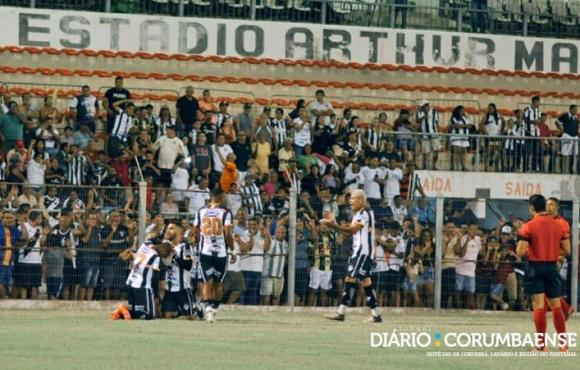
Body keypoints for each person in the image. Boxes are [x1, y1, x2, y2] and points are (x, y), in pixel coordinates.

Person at [516, 194, 570, 352]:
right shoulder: (559, 225)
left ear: (532, 207)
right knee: (556, 306)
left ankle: (541, 345)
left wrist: (529, 249)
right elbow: (567, 250)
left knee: (539, 306)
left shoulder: (528, 226)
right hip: (553, 267)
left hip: (535, 268)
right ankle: (563, 345)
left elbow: (520, 251)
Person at [322, 189, 383, 322]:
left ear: (361, 200)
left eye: (353, 199)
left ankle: (341, 312)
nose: (350, 201)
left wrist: (334, 226)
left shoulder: (364, 213)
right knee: (366, 282)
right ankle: (376, 314)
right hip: (360, 252)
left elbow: (352, 230)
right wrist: (336, 225)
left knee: (350, 278)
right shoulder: (361, 213)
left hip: (363, 252)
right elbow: (352, 229)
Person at [192, 188, 235, 323]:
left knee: (207, 281)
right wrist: (232, 250)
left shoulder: (201, 211)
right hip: (221, 252)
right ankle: (211, 309)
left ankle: (209, 308)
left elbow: (195, 230)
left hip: (205, 250)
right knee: (218, 283)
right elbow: (228, 233)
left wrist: (201, 240)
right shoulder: (226, 213)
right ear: (221, 197)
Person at [116, 239, 173, 320]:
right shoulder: (156, 257)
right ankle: (122, 309)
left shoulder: (145, 244)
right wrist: (156, 295)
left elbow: (148, 242)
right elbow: (155, 277)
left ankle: (121, 312)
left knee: (135, 314)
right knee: (150, 315)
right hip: (143, 286)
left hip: (130, 282)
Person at [161, 223, 199, 320]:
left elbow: (188, 266)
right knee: (167, 317)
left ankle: (198, 311)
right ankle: (178, 311)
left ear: (179, 232)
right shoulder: (166, 245)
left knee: (189, 317)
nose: (168, 231)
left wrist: (175, 256)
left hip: (183, 288)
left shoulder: (185, 247)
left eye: (172, 228)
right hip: (169, 288)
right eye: (167, 229)